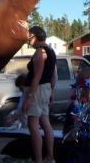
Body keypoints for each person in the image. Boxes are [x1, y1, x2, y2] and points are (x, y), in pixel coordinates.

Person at [22, 26, 57, 163]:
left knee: (33, 125)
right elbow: (54, 76)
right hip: (46, 89)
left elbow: (37, 76)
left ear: (34, 36)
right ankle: (50, 157)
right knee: (46, 124)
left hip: (38, 90)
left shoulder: (39, 52)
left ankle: (38, 160)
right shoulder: (51, 51)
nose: (28, 40)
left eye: (29, 36)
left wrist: (29, 98)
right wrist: (51, 92)